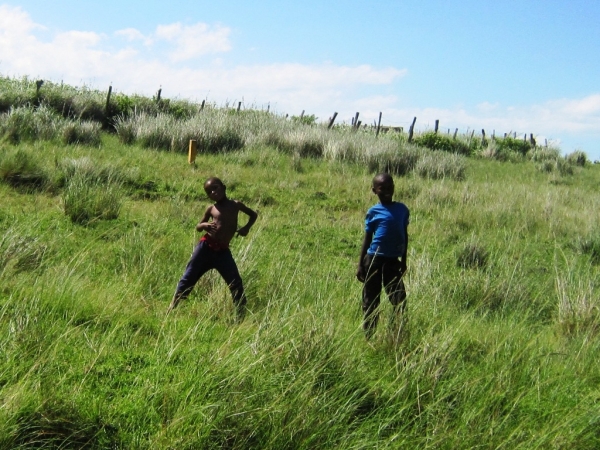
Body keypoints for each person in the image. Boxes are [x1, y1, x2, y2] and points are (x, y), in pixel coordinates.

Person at [168, 177, 258, 320]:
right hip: (205, 248)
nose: (213, 192)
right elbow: (198, 226)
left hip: (222, 252)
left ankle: (240, 318)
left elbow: (253, 214)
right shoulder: (211, 209)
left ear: (224, 187)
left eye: (215, 188)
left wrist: (246, 228)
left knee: (235, 283)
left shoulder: (236, 205)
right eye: (209, 192)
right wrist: (204, 226)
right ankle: (172, 308)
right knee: (189, 277)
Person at [356, 173, 409, 339]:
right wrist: (360, 265)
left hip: (393, 261)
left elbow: (405, 235)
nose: (387, 190)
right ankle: (369, 336)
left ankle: (397, 334)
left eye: (389, 187)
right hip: (373, 260)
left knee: (399, 299)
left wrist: (404, 260)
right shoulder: (373, 212)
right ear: (374, 190)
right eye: (382, 188)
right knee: (371, 301)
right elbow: (367, 239)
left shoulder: (402, 210)